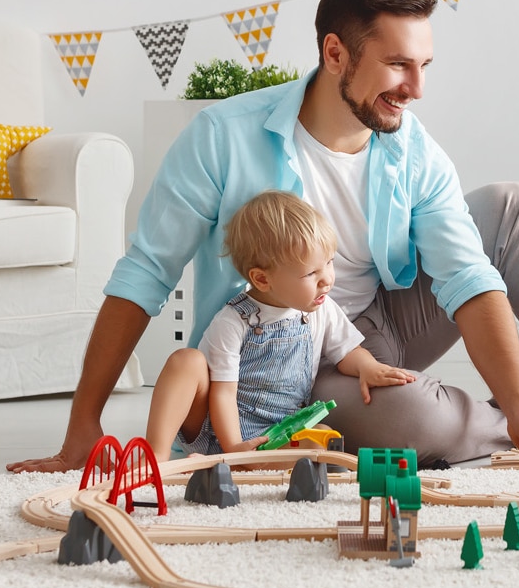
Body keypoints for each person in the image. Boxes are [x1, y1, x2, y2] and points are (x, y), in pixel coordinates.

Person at [9, 0, 519, 473]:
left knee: (512, 206)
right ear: (335, 53)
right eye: (398, 64)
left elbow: (466, 274)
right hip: (283, 360)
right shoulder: (225, 135)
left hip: (378, 326)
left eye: (424, 63)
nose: (417, 86)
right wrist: (83, 425)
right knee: (418, 423)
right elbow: (144, 275)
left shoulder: (410, 145)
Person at [144, 190, 415, 460]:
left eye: (330, 263)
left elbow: (347, 352)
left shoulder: (321, 308)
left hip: (278, 432)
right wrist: (235, 447)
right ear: (262, 280)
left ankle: (239, 465)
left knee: (322, 437)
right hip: (217, 428)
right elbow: (223, 394)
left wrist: (368, 367)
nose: (327, 280)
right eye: (311, 273)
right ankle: (159, 453)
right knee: (186, 360)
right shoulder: (233, 320)